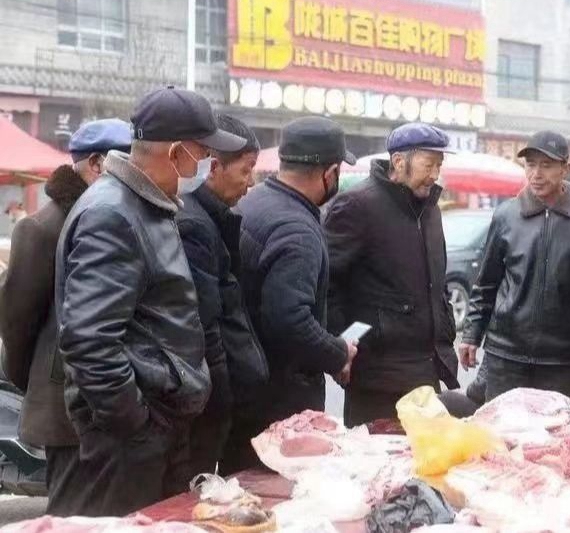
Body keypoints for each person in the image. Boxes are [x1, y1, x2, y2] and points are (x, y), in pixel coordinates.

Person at [53, 87, 245, 516]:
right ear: (176, 153)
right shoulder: (112, 214)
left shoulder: (149, 205)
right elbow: (89, 341)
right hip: (129, 441)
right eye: (203, 154)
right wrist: (136, 425)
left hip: (159, 426)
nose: (207, 165)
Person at [0, 119, 130, 501]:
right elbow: (16, 323)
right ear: (95, 164)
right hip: (63, 407)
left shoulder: (116, 217)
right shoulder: (43, 228)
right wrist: (41, 379)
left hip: (110, 405)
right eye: (125, 161)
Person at [229, 116, 358, 472]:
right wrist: (337, 353)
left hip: (243, 384)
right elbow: (289, 319)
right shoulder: (296, 229)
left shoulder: (254, 202)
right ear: (329, 173)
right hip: (279, 400)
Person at [459, 131, 570, 402]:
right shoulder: (506, 215)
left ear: (566, 169)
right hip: (505, 353)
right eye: (530, 164)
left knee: (551, 428)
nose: (536, 174)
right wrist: (472, 334)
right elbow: (486, 284)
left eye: (546, 165)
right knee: (501, 426)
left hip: (561, 359)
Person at [325, 123, 459, 427]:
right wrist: (341, 347)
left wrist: (446, 328)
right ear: (399, 162)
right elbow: (327, 284)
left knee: (427, 453)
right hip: (377, 376)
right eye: (428, 165)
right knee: (375, 453)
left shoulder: (431, 209)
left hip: (427, 371)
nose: (435, 175)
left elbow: (437, 285)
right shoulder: (357, 205)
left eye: (439, 166)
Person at [177, 114, 267, 477]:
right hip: (204, 404)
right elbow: (205, 325)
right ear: (214, 167)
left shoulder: (212, 219)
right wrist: (221, 401)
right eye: (246, 170)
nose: (251, 183)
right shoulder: (194, 225)